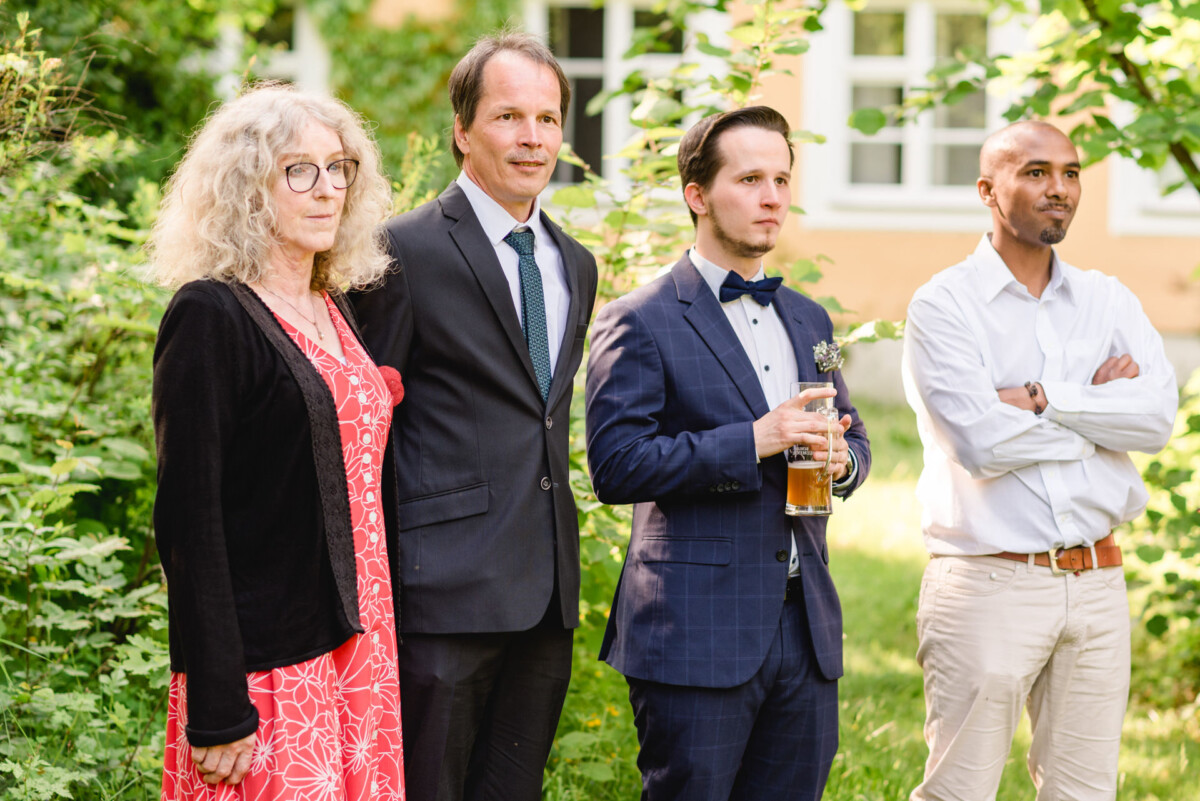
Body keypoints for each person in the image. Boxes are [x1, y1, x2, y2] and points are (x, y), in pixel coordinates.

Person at [584, 106, 871, 801]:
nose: (773, 196)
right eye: (749, 178)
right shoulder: (637, 318)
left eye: (781, 178)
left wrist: (843, 461)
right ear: (698, 195)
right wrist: (753, 440)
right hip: (693, 630)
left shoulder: (813, 320)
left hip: (806, 629)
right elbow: (616, 465)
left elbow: (853, 428)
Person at [349, 31, 598, 801]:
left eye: (548, 119)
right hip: (440, 591)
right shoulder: (399, 252)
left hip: (547, 593)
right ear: (462, 130)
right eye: (508, 117)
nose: (533, 138)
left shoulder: (574, 262)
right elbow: (367, 431)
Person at [902, 120, 1178, 801]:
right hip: (988, 582)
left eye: (1071, 172)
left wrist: (1040, 397)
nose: (1059, 188)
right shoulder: (945, 305)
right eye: (1035, 172)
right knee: (959, 790)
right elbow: (981, 442)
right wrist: (1096, 413)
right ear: (988, 190)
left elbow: (1154, 417)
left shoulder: (1107, 298)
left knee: (1085, 793)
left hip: (1097, 583)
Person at [146, 83, 403, 799]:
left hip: (359, 648)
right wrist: (218, 699)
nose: (327, 191)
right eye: (299, 170)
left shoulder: (334, 307)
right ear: (246, 188)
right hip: (270, 665)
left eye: (339, 168)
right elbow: (189, 521)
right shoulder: (210, 314)